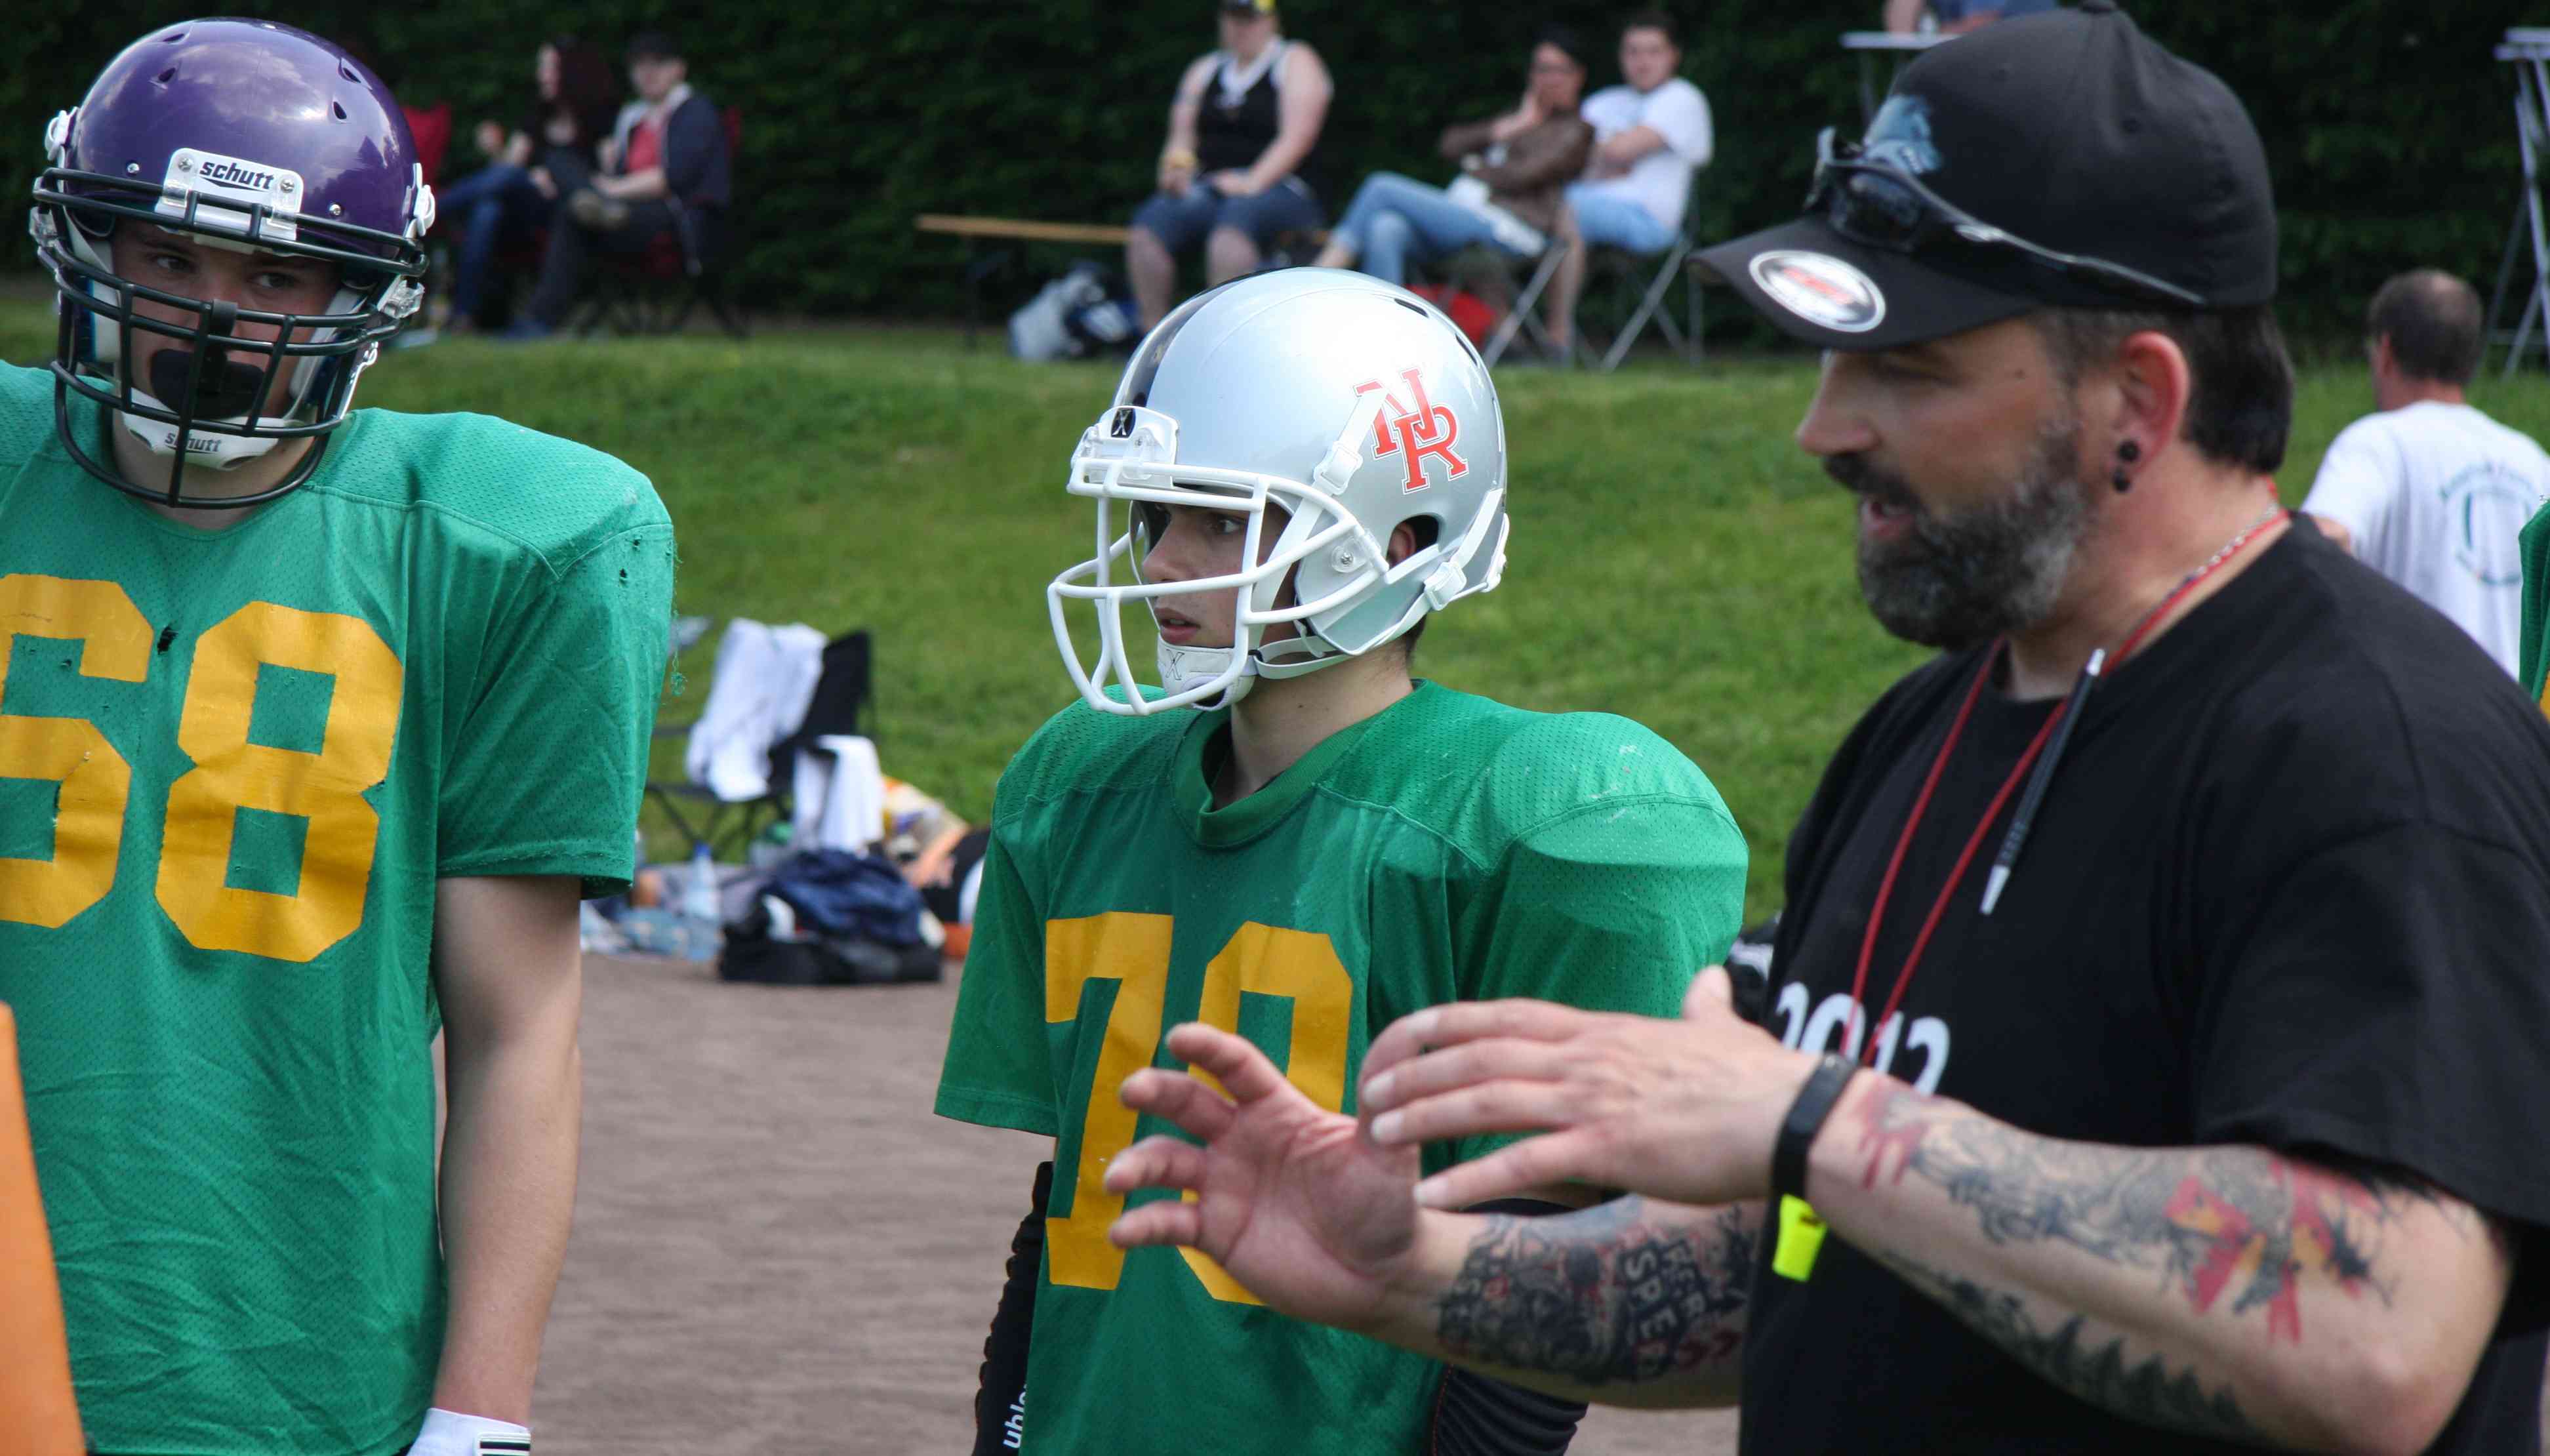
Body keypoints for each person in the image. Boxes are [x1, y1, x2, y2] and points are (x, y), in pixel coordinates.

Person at [1101, 8, 2550, 1454]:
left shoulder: (2375, 752)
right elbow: (1790, 1266)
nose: (1823, 428)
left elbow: (2376, 1333)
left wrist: (1814, 1118)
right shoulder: (1928, 733)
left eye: (1904, 367)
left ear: (2138, 400)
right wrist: (1405, 1270)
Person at [934, 269, 1749, 1453]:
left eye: (1222, 519)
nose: (1161, 561)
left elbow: (1539, 1244)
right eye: (1157, 515)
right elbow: (1077, 1186)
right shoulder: (1080, 782)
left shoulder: (1547, 817)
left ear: (1398, 542)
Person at [9, 18, 675, 1455]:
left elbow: (517, 1025)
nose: (211, 316)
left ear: (359, 293)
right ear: (88, 243)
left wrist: (481, 1414)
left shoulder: (499, 544)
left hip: (287, 1354)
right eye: (168, 256)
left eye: (274, 275)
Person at [2299, 270, 2550, 679]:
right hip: (2521, 713)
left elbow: (2325, 535)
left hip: (2416, 707)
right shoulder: (2532, 460)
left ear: (2385, 352)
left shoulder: (2377, 443)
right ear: (2471, 358)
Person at [1309, 28, 1594, 287]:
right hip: (1463, 217)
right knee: (1385, 227)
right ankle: (1384, 320)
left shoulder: (1576, 131)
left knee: (1381, 186)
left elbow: (1518, 177)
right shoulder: (1520, 118)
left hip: (1510, 231)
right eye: (1541, 68)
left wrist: (1473, 165)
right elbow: (1449, 145)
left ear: (1578, 75)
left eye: (1558, 70)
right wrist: (1509, 127)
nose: (1548, 79)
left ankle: (1316, 280)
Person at [1126, 0, 1334, 329]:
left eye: (1250, 18)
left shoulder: (1295, 61)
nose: (1240, 27)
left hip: (1285, 189)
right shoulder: (1204, 69)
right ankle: (1152, 338)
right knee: (1149, 226)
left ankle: (1226, 333)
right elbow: (1182, 135)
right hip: (1214, 187)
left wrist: (1252, 181)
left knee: (1232, 229)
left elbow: (1297, 138)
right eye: (1233, 18)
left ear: (1271, 21)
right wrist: (1176, 169)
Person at [510, 30, 731, 338]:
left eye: (658, 63)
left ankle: (538, 323)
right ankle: (539, 323)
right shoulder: (632, 117)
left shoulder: (695, 112)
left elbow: (671, 179)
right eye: (640, 65)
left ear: (679, 69)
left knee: (576, 210)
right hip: (621, 211)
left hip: (674, 216)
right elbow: (612, 170)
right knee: (561, 168)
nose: (647, 73)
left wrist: (608, 190)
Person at [1546, 10, 1712, 356]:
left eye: (1653, 51)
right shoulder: (1604, 101)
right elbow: (1566, 158)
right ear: (1621, 56)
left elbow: (1613, 152)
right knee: (1522, 208)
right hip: (1580, 205)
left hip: (1648, 220)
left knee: (1561, 208)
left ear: (1673, 56)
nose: (1642, 61)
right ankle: (1512, 333)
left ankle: (1556, 339)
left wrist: (1602, 154)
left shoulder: (1682, 97)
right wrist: (1603, 156)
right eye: (1633, 51)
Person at [432, 37, 618, 334]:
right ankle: (464, 316)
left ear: (572, 71)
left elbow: (609, 181)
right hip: (527, 210)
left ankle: (430, 210)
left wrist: (560, 178)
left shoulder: (600, 119)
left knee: (500, 193)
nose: (542, 75)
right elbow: (510, 168)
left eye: (550, 67)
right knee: (490, 208)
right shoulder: (538, 115)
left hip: (566, 212)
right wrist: (506, 158)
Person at [1884, 0, 2059, 33]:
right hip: (1988, 68)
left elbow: (1980, 24)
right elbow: (1899, 34)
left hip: (2025, 66)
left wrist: (1934, 36)